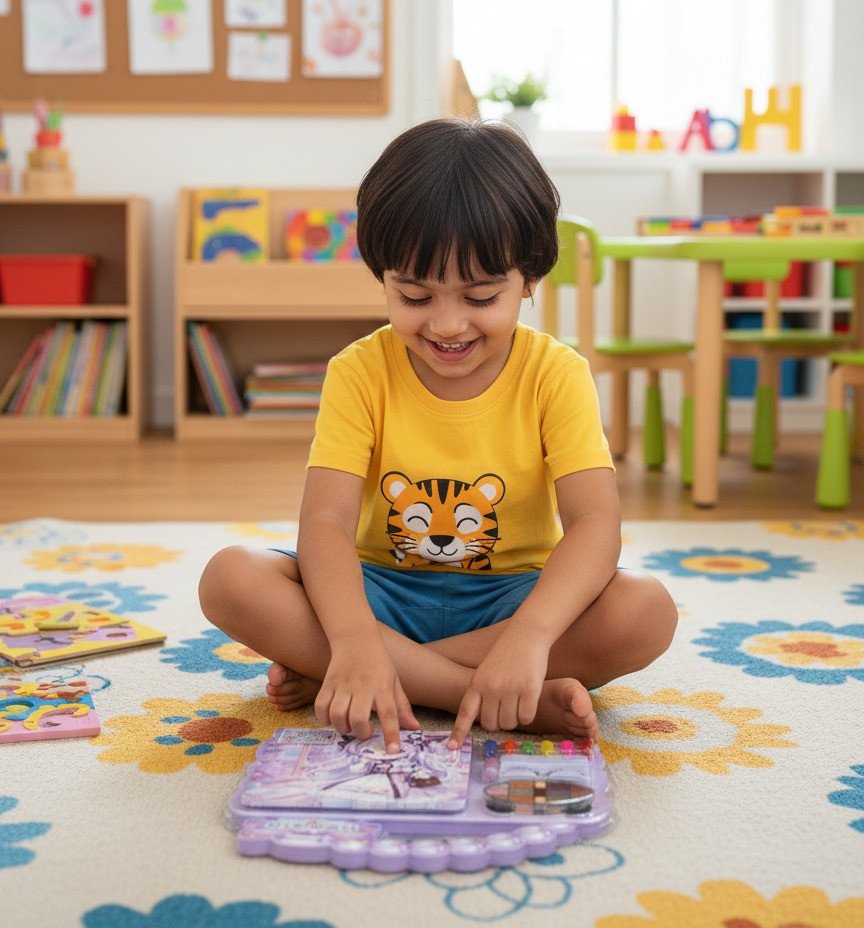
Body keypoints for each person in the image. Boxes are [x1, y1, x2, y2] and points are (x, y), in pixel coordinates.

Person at [199, 118, 677, 755]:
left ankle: (370, 675)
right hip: (378, 591)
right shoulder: (358, 371)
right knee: (229, 578)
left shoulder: (557, 374)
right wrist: (354, 635)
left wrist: (531, 635)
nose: (447, 324)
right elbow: (326, 525)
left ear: (530, 280)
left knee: (648, 610)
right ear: (383, 278)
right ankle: (480, 695)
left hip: (512, 599)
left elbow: (595, 523)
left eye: (481, 297)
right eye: (414, 295)